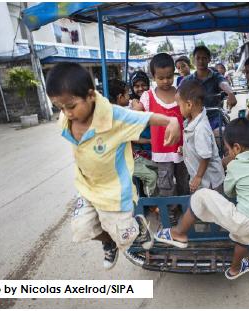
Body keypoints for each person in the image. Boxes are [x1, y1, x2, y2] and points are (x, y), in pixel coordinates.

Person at [46, 62, 182, 270]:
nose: (66, 112)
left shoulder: (115, 117)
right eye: (59, 107)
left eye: (71, 106)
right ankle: (107, 242)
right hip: (87, 187)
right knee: (81, 228)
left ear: (91, 96)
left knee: (125, 238)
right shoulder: (67, 117)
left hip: (115, 192)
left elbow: (146, 117)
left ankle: (137, 226)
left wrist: (171, 123)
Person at [155, 95, 249, 280]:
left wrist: (227, 163)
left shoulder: (236, 166)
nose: (228, 153)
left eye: (228, 150)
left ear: (236, 148)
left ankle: (178, 233)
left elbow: (228, 192)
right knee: (242, 238)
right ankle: (235, 269)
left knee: (203, 195)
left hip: (243, 220)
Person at [136, 53, 190, 197]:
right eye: (161, 78)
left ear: (174, 73)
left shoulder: (180, 92)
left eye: (169, 77)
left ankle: (185, 207)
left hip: (181, 147)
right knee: (165, 183)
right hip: (161, 149)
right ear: (153, 77)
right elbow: (136, 113)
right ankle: (169, 212)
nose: (166, 81)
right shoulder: (148, 96)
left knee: (183, 179)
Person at [108, 78, 158, 197]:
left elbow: (130, 136)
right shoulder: (116, 117)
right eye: (127, 94)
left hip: (132, 156)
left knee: (156, 167)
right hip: (122, 162)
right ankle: (150, 202)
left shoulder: (119, 112)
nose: (129, 97)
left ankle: (145, 194)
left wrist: (149, 141)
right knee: (151, 176)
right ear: (120, 97)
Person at [176, 79, 225, 193]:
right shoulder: (191, 122)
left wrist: (198, 177)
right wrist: (186, 149)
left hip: (210, 183)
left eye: (179, 105)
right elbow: (197, 146)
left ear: (189, 105)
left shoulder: (200, 128)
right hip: (204, 181)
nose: (179, 109)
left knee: (212, 208)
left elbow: (205, 156)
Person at [184, 46, 237, 130]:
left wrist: (230, 93)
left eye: (204, 58)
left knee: (222, 133)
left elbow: (223, 83)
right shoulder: (187, 80)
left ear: (209, 59)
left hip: (215, 118)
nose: (201, 61)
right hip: (195, 120)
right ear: (193, 60)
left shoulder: (216, 76)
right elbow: (178, 94)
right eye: (198, 58)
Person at [129, 71, 152, 159]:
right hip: (140, 145)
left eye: (143, 85)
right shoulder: (131, 102)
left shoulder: (153, 97)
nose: (141, 88)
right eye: (136, 86)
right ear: (132, 87)